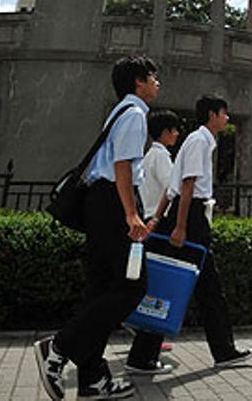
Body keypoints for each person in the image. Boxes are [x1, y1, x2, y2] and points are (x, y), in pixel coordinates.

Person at [34, 56, 159, 400]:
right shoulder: (134, 115)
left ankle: (92, 380)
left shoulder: (119, 111)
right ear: (138, 82)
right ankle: (59, 347)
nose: (157, 84)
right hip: (112, 201)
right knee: (133, 286)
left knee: (101, 290)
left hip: (98, 202)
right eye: (153, 77)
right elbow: (122, 167)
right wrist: (131, 214)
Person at [130, 95, 252, 371]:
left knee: (170, 284)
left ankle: (142, 356)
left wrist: (160, 219)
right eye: (224, 113)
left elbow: (171, 189)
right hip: (191, 218)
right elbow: (186, 186)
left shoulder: (198, 141)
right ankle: (222, 351)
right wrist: (181, 226)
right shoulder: (199, 141)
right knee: (208, 289)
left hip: (183, 216)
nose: (227, 118)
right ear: (212, 115)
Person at [124, 109, 183, 375]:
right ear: (166, 132)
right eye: (174, 130)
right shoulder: (161, 157)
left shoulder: (149, 156)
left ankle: (147, 341)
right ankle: (144, 350)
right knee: (161, 288)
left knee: (151, 284)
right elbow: (174, 189)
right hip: (159, 225)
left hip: (148, 221)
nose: (177, 134)